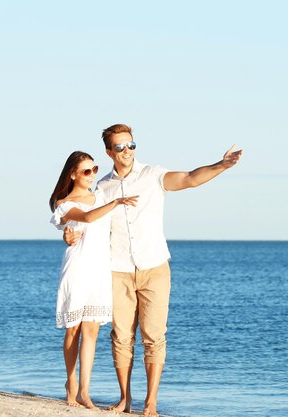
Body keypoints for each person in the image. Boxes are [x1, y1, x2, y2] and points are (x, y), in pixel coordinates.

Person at [64, 124, 242, 416]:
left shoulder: (152, 176)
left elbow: (189, 179)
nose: (127, 152)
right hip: (117, 269)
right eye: (120, 147)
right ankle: (125, 399)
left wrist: (221, 165)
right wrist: (67, 235)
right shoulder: (102, 188)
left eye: (131, 145)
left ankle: (151, 403)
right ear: (109, 152)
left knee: (154, 336)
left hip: (154, 266)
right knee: (121, 337)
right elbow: (81, 220)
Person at [49, 151, 138, 409]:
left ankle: (85, 391)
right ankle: (71, 384)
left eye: (94, 169)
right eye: (86, 171)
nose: (92, 175)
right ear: (73, 174)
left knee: (92, 331)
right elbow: (87, 218)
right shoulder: (64, 203)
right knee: (73, 329)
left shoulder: (100, 194)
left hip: (100, 268)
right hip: (77, 267)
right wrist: (118, 202)